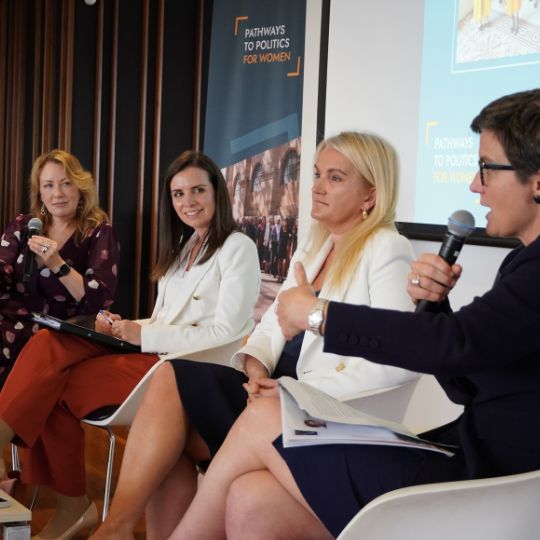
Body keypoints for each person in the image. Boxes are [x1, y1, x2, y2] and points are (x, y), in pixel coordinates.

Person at [165, 88, 540, 540]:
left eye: (485, 168)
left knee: (267, 417)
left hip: (492, 480)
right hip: (472, 455)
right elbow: (467, 377)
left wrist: (319, 315)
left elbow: (453, 347)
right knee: (250, 496)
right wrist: (436, 307)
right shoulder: (523, 262)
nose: (474, 185)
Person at [91, 131, 420, 540]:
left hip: (318, 412)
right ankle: (118, 527)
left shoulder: (387, 248)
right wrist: (254, 364)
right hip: (266, 393)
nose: (316, 186)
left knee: (173, 429)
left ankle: (116, 530)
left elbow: (397, 362)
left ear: (371, 195)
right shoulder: (311, 248)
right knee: (172, 379)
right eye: (317, 174)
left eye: (335, 178)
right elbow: (269, 326)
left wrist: (293, 391)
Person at [0, 150, 260, 540]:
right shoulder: (186, 248)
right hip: (151, 354)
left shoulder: (238, 247)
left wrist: (145, 335)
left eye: (197, 191)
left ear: (217, 193)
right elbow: (162, 319)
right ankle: (72, 507)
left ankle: (71, 505)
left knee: (48, 363)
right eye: (177, 194)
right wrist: (126, 325)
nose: (187, 202)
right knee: (49, 354)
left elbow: (225, 332)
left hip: (187, 372)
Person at [0, 149, 119, 388]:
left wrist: (57, 264)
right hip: (8, 320)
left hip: (57, 331)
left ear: (80, 187)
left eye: (66, 183)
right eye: (48, 185)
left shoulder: (98, 232)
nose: (57, 194)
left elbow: (99, 299)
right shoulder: (24, 225)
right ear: (40, 192)